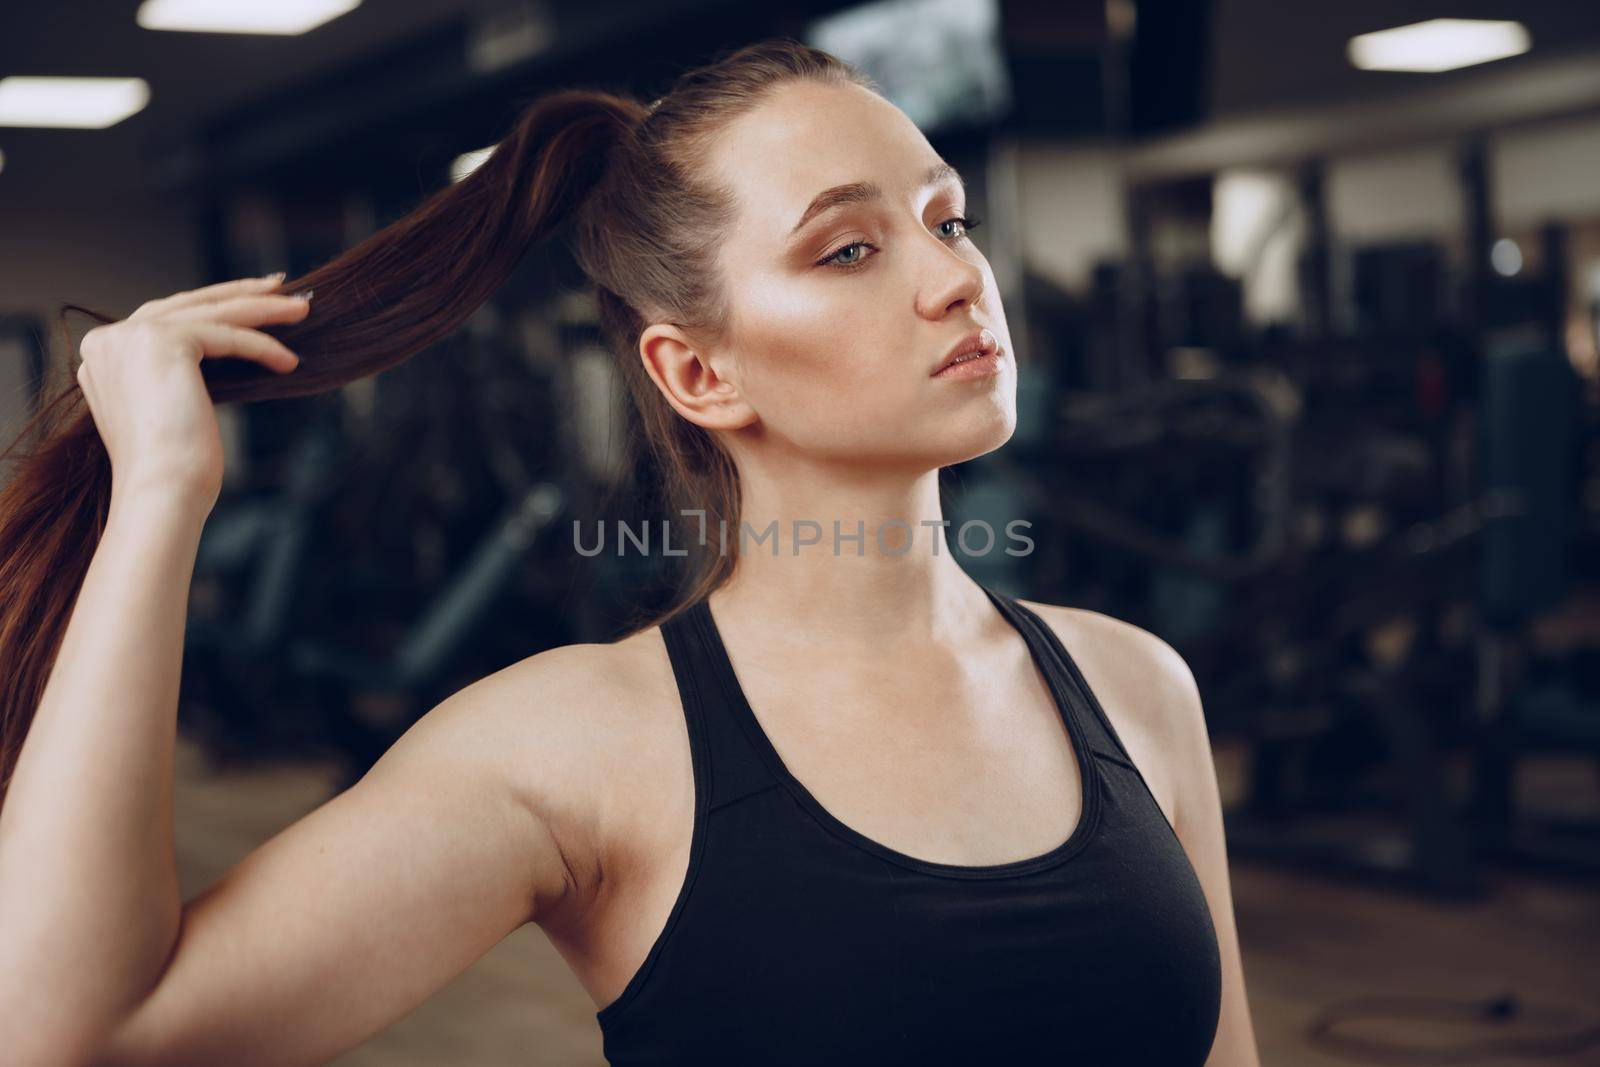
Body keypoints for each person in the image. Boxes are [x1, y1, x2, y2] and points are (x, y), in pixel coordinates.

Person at [0, 38, 1259, 1067]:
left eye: (949, 218)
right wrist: (159, 493)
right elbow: (80, 1034)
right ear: (698, 372)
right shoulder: (579, 747)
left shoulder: (1139, 686)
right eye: (851, 248)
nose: (954, 279)